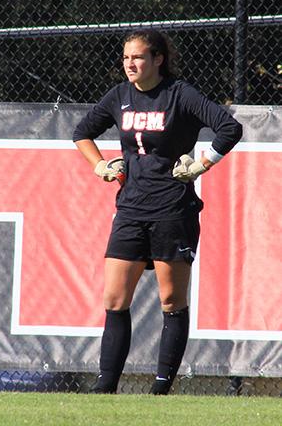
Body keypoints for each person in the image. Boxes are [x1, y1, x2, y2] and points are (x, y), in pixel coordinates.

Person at [73, 29, 242, 395]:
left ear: (157, 60)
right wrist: (99, 166)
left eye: (138, 57)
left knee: (171, 301)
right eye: (125, 58)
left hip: (172, 209)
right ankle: (105, 387)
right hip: (130, 209)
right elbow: (81, 133)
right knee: (115, 299)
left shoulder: (180, 94)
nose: (130, 64)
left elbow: (230, 128)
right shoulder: (119, 95)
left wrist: (202, 164)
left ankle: (161, 389)